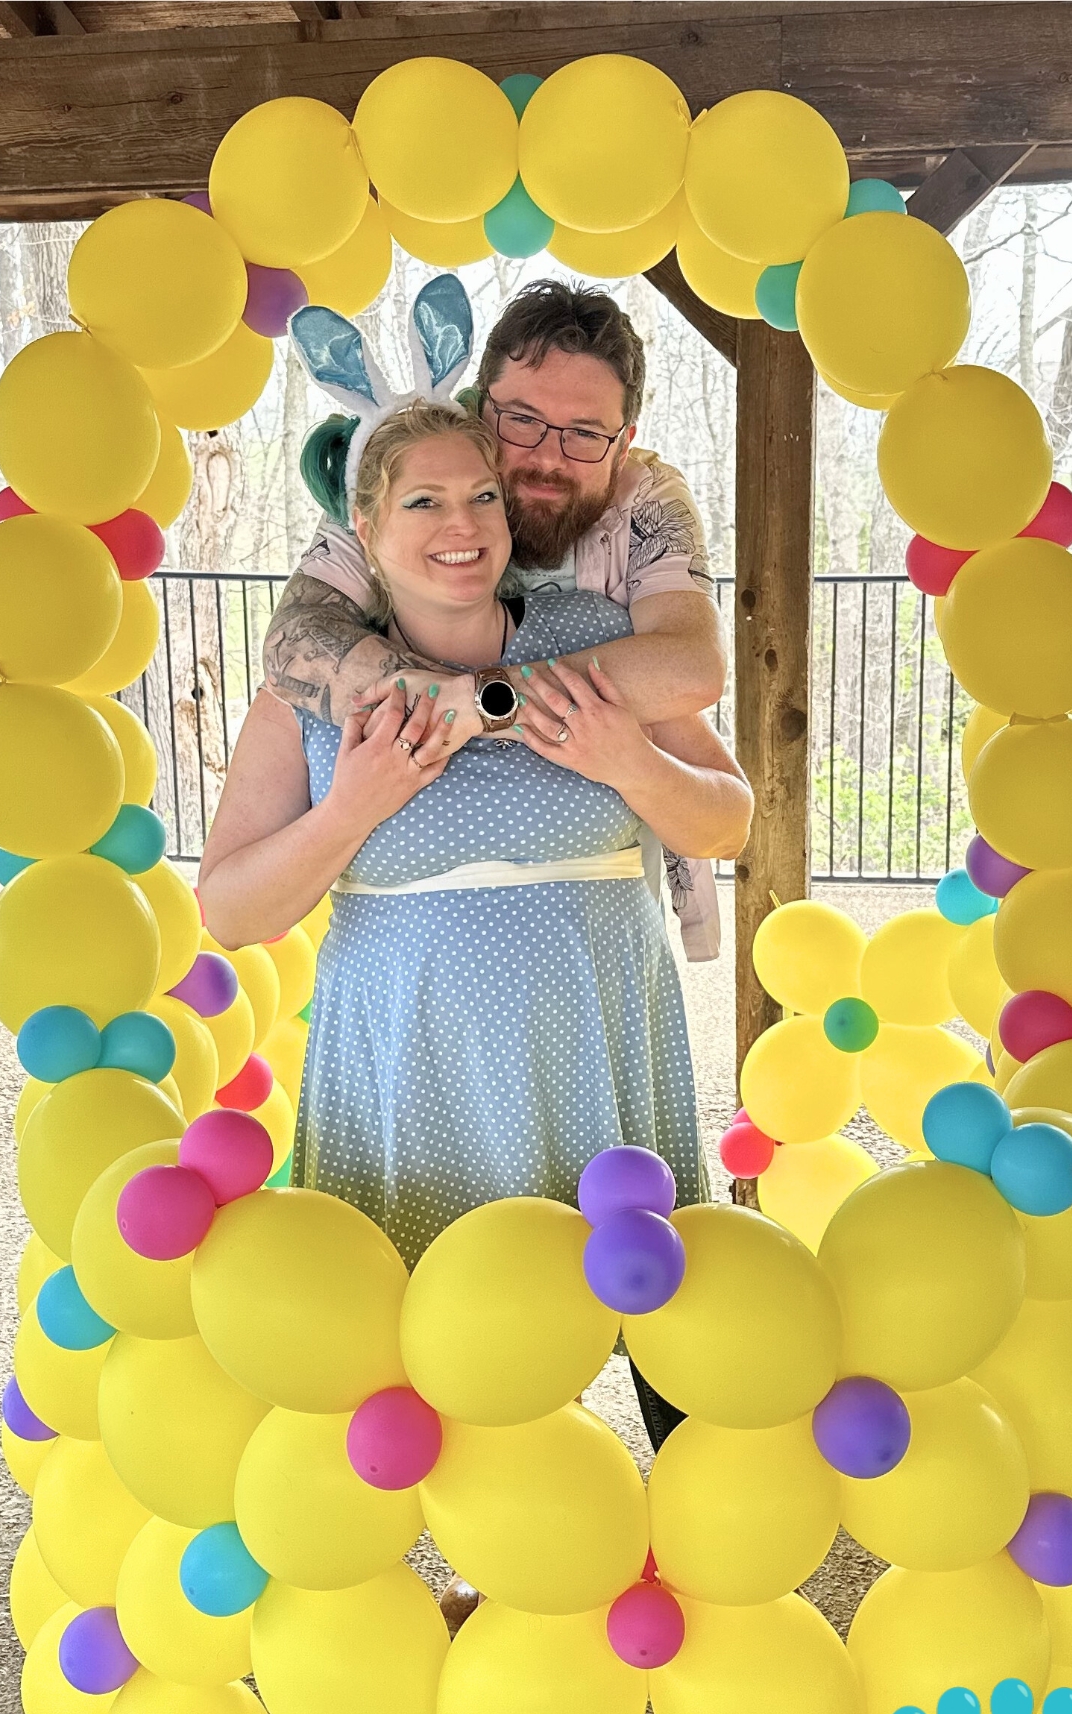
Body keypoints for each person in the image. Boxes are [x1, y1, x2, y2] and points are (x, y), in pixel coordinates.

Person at [199, 403, 751, 1464]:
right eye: (423, 500)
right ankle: (484, 1576)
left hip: (596, 1047)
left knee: (660, 1318)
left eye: (481, 495)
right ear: (363, 530)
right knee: (432, 1346)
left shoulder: (593, 644)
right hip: (414, 1073)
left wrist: (625, 761)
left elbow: (727, 817)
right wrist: (350, 805)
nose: (462, 523)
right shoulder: (314, 693)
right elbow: (230, 908)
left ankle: (696, 1556)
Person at [263, 278, 728, 960]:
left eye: (584, 434)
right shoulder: (404, 483)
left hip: (598, 901)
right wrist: (456, 708)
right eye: (523, 420)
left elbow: (691, 666)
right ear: (481, 410)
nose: (547, 456)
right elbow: (292, 644)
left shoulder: (648, 497)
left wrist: (484, 702)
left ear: (623, 443)